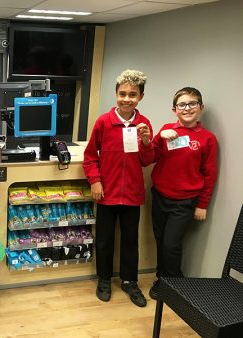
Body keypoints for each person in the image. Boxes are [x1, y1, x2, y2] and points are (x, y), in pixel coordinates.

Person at [83, 69, 153, 307]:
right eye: (122, 93)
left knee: (130, 241)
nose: (126, 99)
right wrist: (95, 180)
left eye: (132, 94)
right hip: (107, 193)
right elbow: (90, 156)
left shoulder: (144, 124)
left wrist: (145, 142)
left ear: (140, 97)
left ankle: (129, 282)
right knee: (104, 240)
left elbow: (146, 159)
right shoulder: (104, 122)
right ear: (116, 94)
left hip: (132, 195)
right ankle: (104, 279)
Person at [149, 87, 218, 299]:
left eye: (192, 103)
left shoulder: (207, 138)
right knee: (161, 241)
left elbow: (210, 174)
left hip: (185, 202)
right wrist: (159, 137)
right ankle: (162, 280)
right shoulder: (167, 131)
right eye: (182, 105)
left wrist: (202, 205)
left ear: (201, 107)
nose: (187, 108)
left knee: (172, 245)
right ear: (174, 109)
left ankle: (175, 285)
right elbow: (150, 156)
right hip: (160, 196)